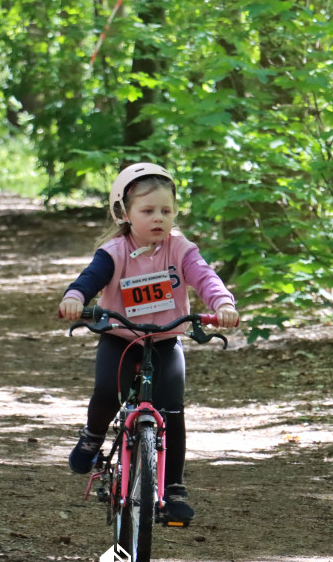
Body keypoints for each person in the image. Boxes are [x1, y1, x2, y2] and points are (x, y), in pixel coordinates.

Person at [58, 162, 240, 523]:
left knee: (172, 410)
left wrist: (222, 303)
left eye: (166, 211)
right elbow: (90, 279)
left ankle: (173, 487)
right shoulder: (115, 252)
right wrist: (76, 297)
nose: (159, 218)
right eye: (148, 210)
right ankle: (93, 436)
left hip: (165, 341)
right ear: (124, 213)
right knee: (109, 391)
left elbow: (205, 277)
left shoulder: (181, 250)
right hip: (120, 337)